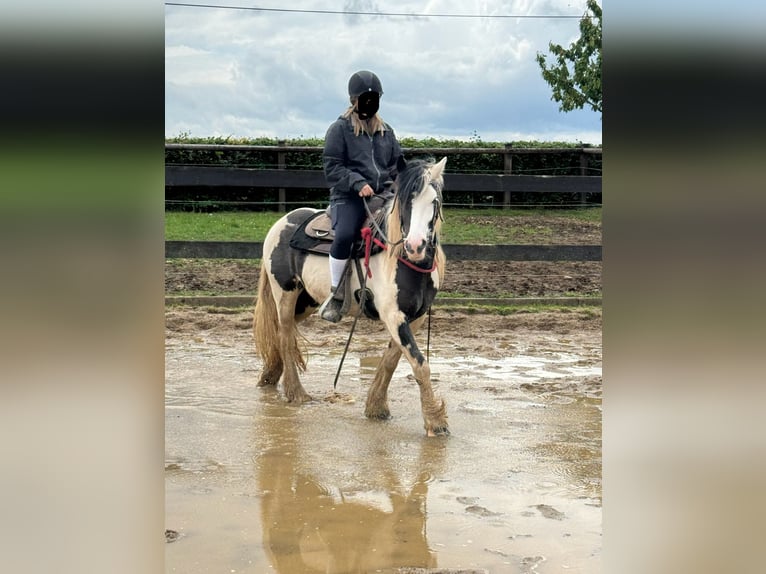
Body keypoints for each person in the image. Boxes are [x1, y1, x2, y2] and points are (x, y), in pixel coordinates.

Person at [318, 70, 403, 322]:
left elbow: (397, 164)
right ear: (354, 100)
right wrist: (357, 183)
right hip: (349, 197)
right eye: (365, 99)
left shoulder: (386, 131)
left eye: (374, 98)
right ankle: (336, 295)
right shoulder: (339, 129)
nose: (370, 103)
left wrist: (401, 182)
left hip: (382, 194)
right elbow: (332, 166)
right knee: (344, 235)